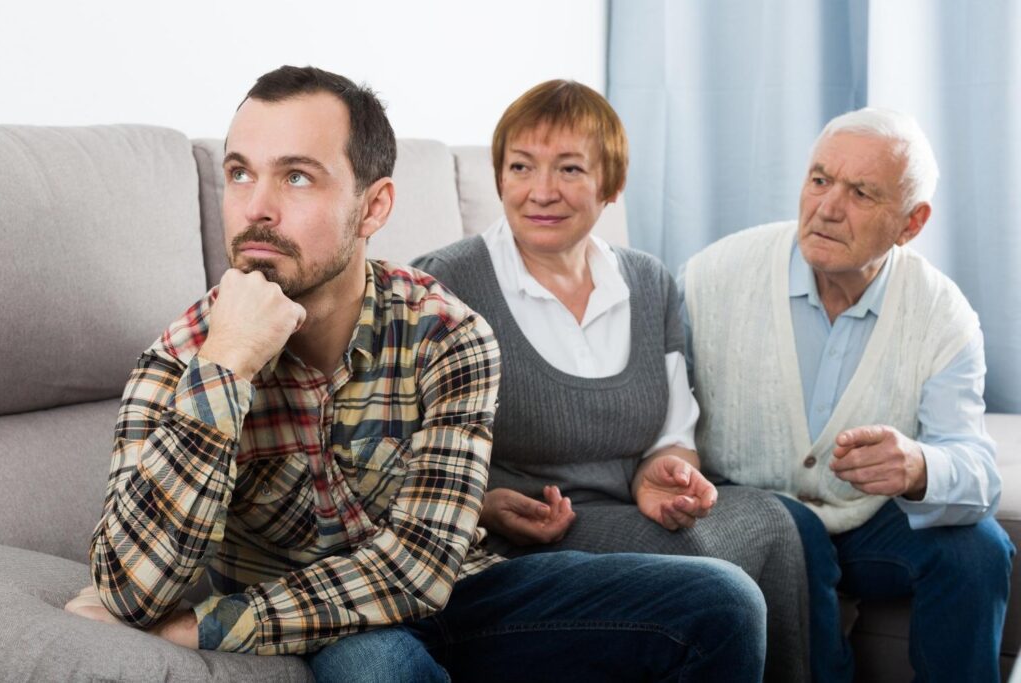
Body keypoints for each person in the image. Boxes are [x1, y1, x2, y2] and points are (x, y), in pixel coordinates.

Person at [63, 65, 767, 682]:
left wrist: (210, 626)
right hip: (323, 623)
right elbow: (129, 593)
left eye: (297, 176)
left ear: (374, 206)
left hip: (464, 590)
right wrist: (227, 366)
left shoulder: (449, 333)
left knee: (723, 600)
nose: (255, 208)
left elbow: (420, 568)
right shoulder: (182, 356)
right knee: (380, 668)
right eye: (240, 172)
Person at [413, 79, 808, 681]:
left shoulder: (649, 283)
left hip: (629, 509)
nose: (542, 191)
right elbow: (403, 453)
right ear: (499, 178)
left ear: (612, 185)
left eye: (570, 169)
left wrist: (663, 474)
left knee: (773, 520)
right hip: (517, 534)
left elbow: (672, 433)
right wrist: (484, 507)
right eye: (521, 167)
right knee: (692, 558)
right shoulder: (445, 284)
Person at [679, 106, 1016, 682]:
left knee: (978, 549)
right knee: (796, 528)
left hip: (868, 525)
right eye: (820, 180)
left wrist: (919, 467)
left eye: (861, 193)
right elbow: (655, 413)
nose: (828, 208)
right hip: (746, 511)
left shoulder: (942, 314)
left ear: (911, 223)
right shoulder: (711, 277)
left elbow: (978, 471)